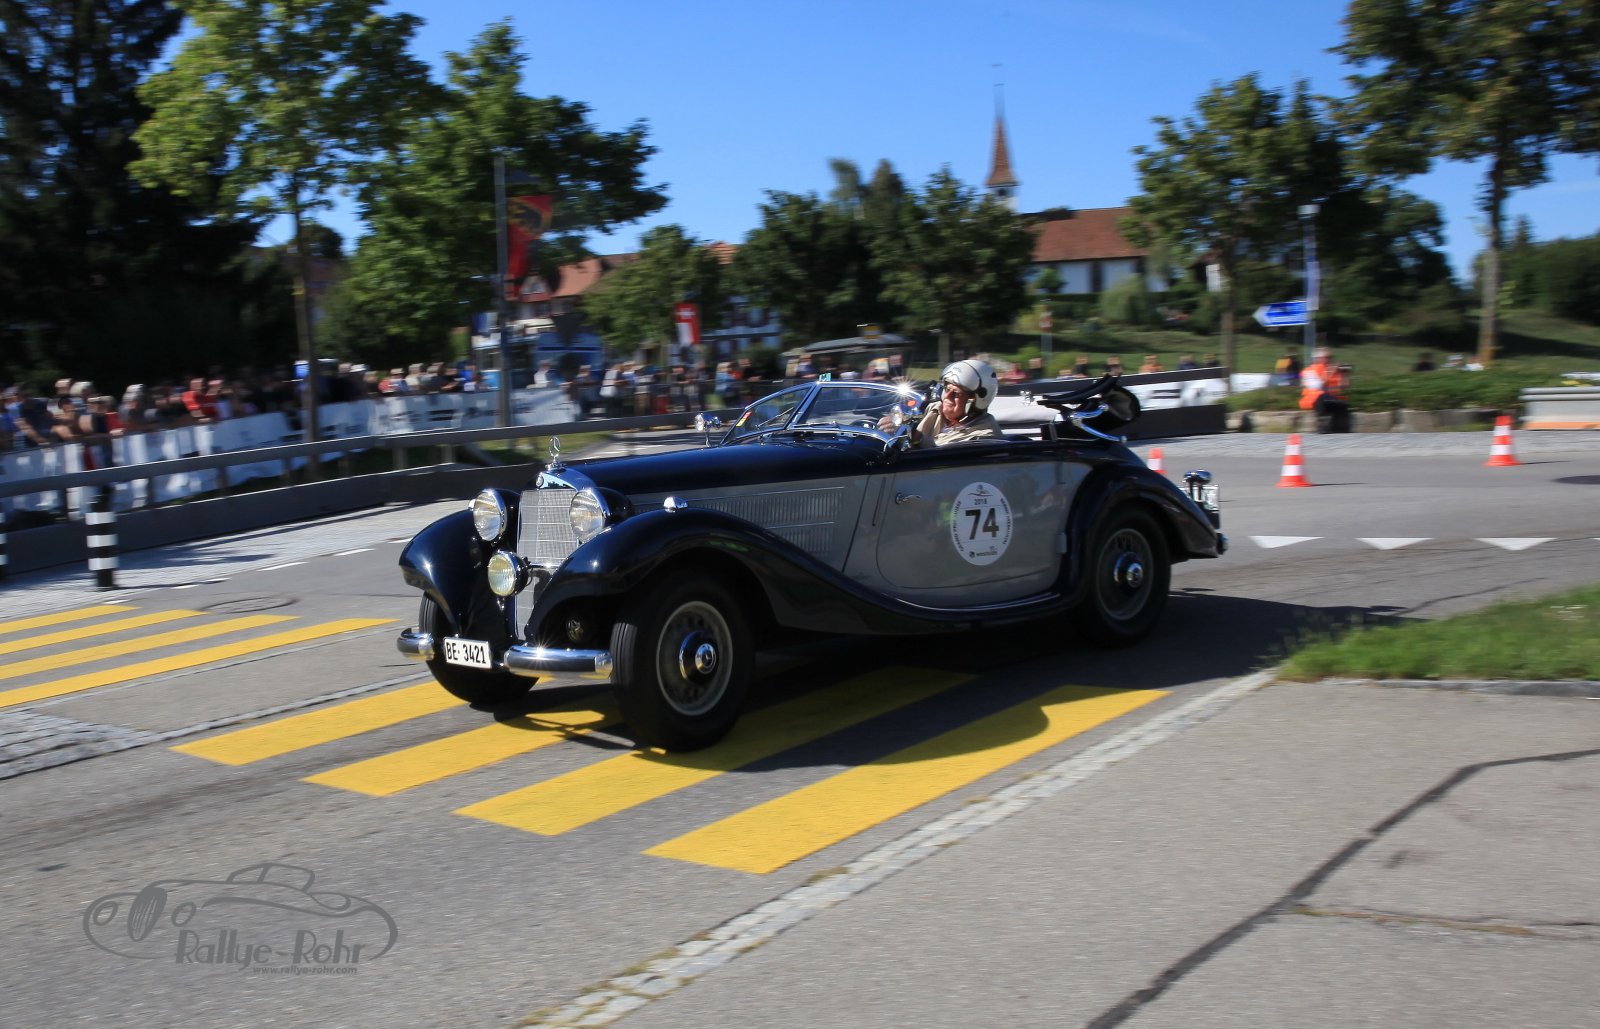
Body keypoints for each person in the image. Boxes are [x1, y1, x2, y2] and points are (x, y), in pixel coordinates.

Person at [881, 359, 1002, 447]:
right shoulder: (935, 409)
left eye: (956, 393)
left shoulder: (984, 435)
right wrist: (895, 423)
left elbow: (941, 449)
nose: (947, 397)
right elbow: (906, 419)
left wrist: (909, 434)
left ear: (975, 400)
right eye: (947, 389)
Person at [1299, 347, 1351, 433]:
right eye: (1326, 357)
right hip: (1313, 398)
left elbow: (1344, 386)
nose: (1329, 360)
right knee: (1321, 397)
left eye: (1330, 357)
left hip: (1332, 397)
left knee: (1338, 403)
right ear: (1317, 358)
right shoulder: (1309, 370)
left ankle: (1332, 426)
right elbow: (1317, 385)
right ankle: (1322, 423)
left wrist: (1345, 374)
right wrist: (1330, 372)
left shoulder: (1336, 370)